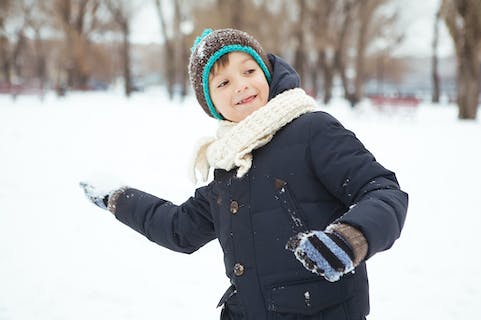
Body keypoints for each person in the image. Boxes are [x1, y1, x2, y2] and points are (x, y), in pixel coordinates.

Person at [80, 28, 408, 320]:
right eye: (223, 82)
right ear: (212, 105)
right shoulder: (228, 167)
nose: (242, 85)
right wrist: (117, 197)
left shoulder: (312, 130)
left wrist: (350, 238)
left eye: (249, 70)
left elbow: (382, 191)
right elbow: (179, 228)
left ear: (265, 73)